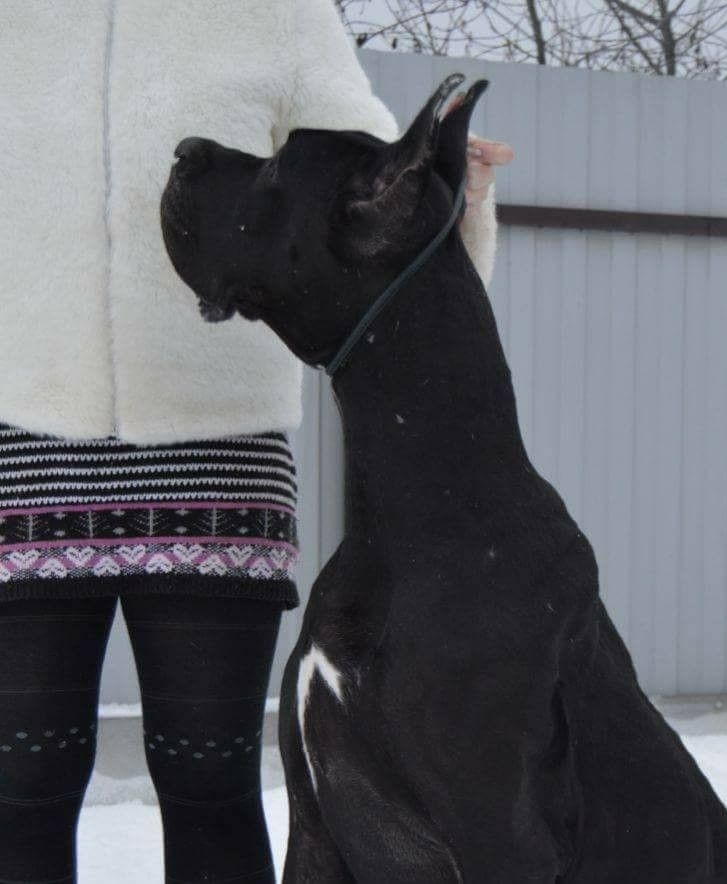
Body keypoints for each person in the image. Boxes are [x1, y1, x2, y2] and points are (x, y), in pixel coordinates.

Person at [0, 1, 513, 881]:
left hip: (219, 449)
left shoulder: (275, 15)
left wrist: (452, 195)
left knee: (208, 782)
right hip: (23, 446)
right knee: (22, 782)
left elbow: (370, 194)